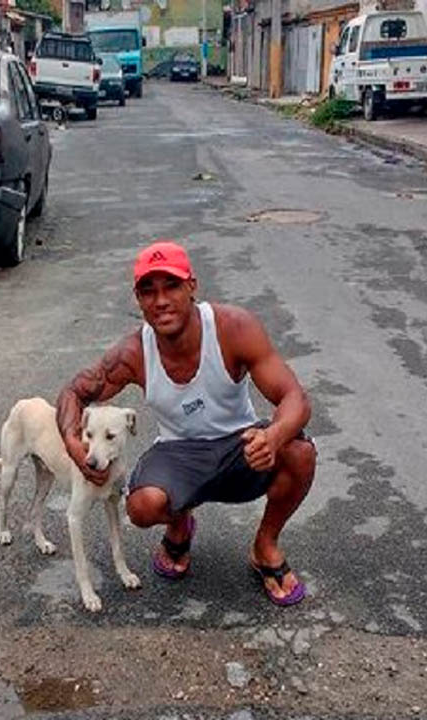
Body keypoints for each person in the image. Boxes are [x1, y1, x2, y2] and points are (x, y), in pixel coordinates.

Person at [55, 240, 316, 607]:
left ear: (192, 286)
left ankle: (265, 544)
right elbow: (73, 392)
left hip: (239, 445)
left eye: (172, 286)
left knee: (299, 452)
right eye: (149, 291)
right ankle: (179, 523)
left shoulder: (233, 328)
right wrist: (73, 443)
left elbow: (295, 399)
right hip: (179, 452)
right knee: (142, 506)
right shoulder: (134, 353)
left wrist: (273, 436)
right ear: (138, 300)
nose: (160, 300)